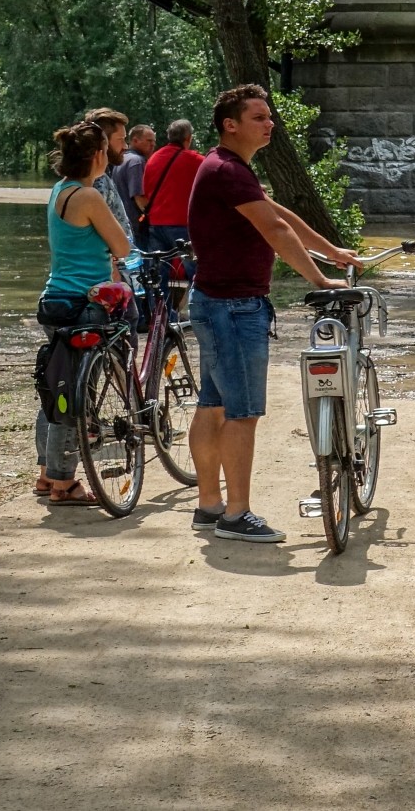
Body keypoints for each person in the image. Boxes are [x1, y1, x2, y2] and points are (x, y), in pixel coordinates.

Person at [185, 85, 355, 543]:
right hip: (234, 308)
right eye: (258, 117)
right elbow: (275, 229)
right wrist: (319, 280)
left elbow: (283, 215)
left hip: (214, 302)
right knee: (241, 413)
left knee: (213, 405)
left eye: (269, 116)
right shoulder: (227, 170)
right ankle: (236, 515)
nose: (269, 123)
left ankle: (208, 506)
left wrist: (331, 250)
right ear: (230, 124)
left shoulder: (228, 169)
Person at [34, 121, 134, 506]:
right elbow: (123, 247)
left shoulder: (59, 190)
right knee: (76, 399)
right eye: (107, 150)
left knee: (56, 388)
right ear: (97, 156)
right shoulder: (89, 197)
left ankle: (47, 474)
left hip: (54, 300)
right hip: (84, 305)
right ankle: (65, 484)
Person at [139, 120, 203, 252]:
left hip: (156, 223)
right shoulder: (195, 160)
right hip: (181, 223)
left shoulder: (154, 158)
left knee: (159, 269)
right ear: (188, 138)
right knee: (194, 268)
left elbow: (146, 190)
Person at [82, 108, 135, 240]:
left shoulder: (99, 176)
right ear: (103, 141)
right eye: (121, 139)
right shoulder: (96, 183)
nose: (126, 146)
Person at [115, 123, 153, 219]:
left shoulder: (121, 159)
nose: (153, 144)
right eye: (149, 141)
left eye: (154, 141)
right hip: (136, 225)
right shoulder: (137, 161)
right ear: (135, 140)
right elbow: (140, 198)